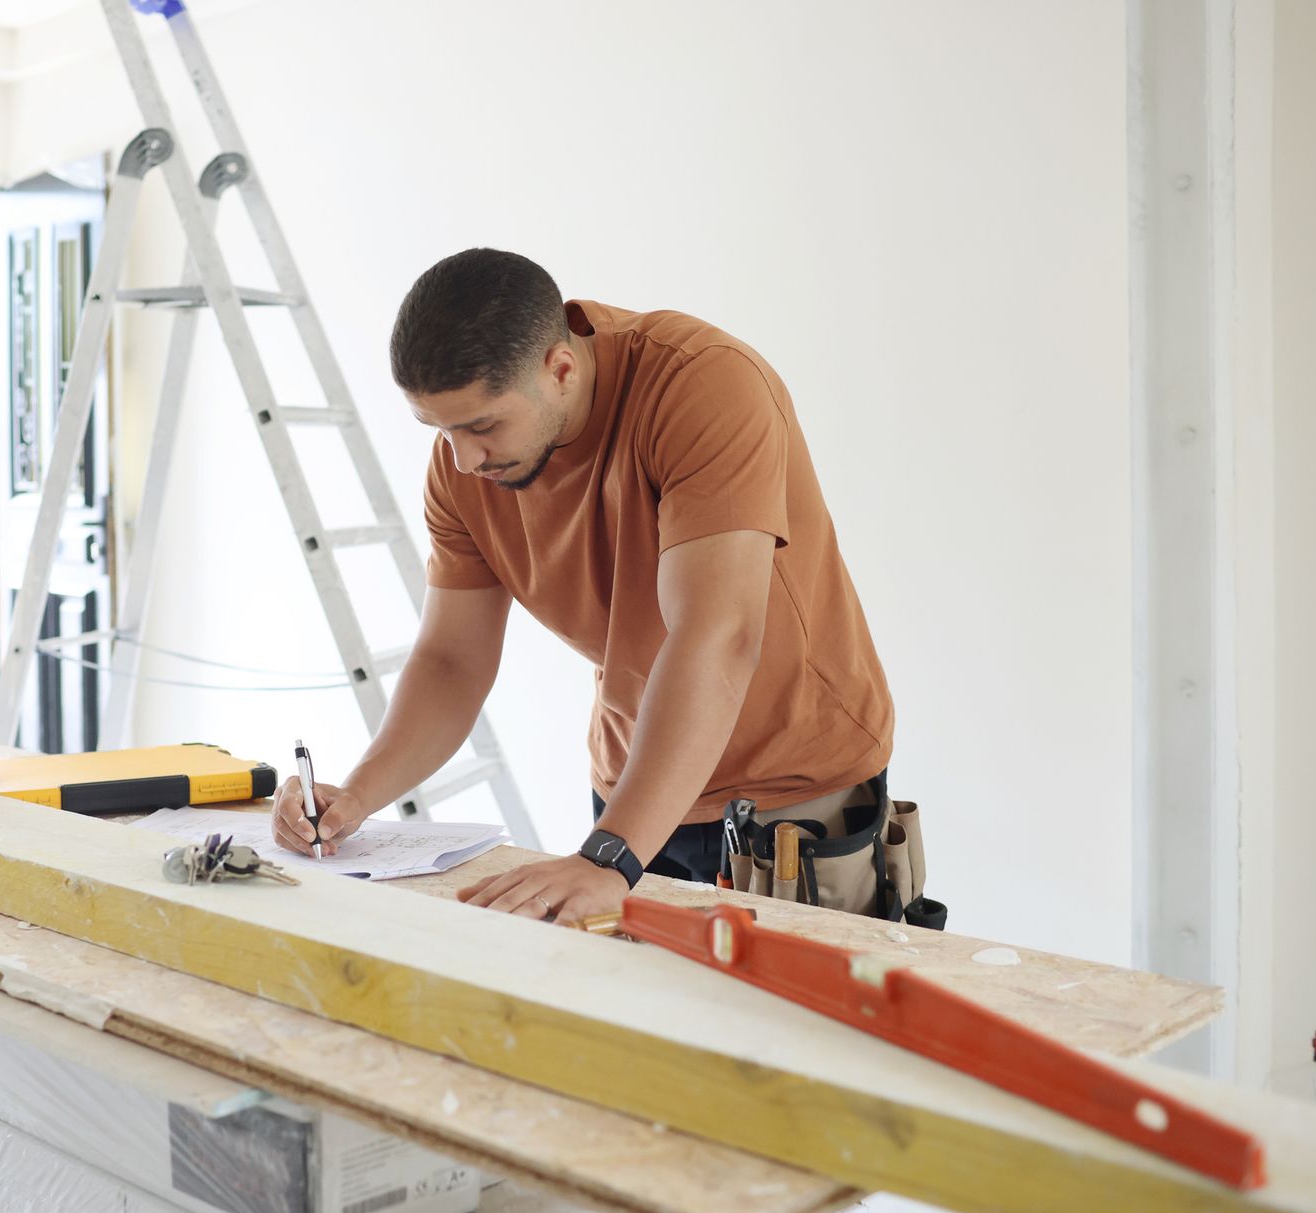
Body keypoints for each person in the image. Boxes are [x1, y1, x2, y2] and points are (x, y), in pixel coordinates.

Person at [272, 248, 896, 926]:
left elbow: (717, 635)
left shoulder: (705, 385)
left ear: (561, 370)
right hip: (633, 790)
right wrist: (356, 798)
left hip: (790, 795)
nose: (463, 459)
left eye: (482, 425)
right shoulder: (462, 469)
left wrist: (609, 855)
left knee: (786, 1000)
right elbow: (451, 660)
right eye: (440, 429)